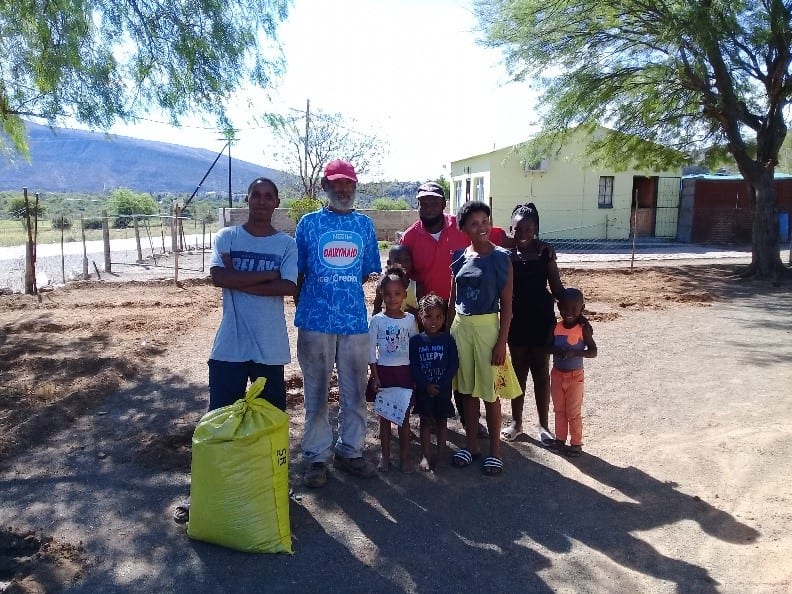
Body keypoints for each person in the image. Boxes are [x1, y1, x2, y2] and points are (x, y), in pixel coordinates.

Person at [174, 176, 297, 523]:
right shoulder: (226, 237)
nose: (261, 201)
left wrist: (239, 277)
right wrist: (265, 276)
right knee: (218, 421)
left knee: (270, 423)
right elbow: (218, 278)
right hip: (229, 344)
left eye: (268, 196)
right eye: (255, 195)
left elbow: (287, 285)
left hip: (270, 348)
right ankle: (202, 494)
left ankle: (274, 487)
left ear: (276, 203)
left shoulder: (287, 244)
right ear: (248, 200)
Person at [295, 159, 382, 489]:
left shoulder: (364, 225)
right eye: (337, 184)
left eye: (349, 184)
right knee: (315, 393)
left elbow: (367, 271)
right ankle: (317, 457)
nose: (343, 190)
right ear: (325, 186)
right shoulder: (308, 224)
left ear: (355, 186)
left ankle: (350, 450)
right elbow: (299, 272)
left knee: (355, 393)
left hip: (354, 320)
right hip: (315, 319)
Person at [399, 181, 488, 437]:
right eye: (423, 202)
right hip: (428, 317)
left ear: (443, 204)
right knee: (427, 366)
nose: (428, 206)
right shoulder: (410, 237)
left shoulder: (460, 229)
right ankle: (425, 418)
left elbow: (486, 243)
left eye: (434, 201)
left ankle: (468, 417)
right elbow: (403, 275)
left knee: (459, 365)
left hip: (461, 311)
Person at [448, 200, 521, 475]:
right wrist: (446, 337)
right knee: (466, 390)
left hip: (488, 329)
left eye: (485, 221)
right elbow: (453, 300)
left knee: (490, 393)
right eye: (475, 223)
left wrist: (501, 342)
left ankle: (495, 451)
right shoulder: (459, 258)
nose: (482, 227)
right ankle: (471, 446)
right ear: (463, 227)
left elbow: (507, 305)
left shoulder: (501, 258)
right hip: (460, 329)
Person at [501, 203, 565, 443]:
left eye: (528, 229)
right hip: (516, 321)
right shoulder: (506, 257)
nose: (523, 234)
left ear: (536, 229)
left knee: (540, 373)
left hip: (542, 321)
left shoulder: (545, 254)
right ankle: (516, 422)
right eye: (518, 229)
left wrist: (573, 308)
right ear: (511, 229)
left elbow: (557, 288)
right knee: (517, 374)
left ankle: (543, 426)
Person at [368, 267, 418, 472]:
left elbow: (415, 349)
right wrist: (375, 375)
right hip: (385, 374)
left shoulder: (410, 320)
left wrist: (416, 376)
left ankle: (405, 459)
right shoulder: (377, 321)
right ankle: (385, 457)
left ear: (404, 294)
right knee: (385, 418)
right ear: (381, 295)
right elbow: (371, 351)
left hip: (405, 374)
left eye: (397, 294)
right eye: (387, 294)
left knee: (404, 419)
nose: (392, 298)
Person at [410, 294, 459, 472]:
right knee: (425, 422)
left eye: (438, 316)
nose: (433, 321)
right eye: (428, 316)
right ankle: (425, 455)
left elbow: (454, 364)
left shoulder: (448, 339)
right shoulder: (416, 341)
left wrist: (442, 384)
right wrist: (426, 386)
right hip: (424, 390)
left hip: (443, 390)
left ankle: (441, 455)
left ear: (444, 317)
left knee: (441, 422)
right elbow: (414, 366)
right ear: (420, 317)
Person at [549, 288, 598, 457]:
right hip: (556, 374)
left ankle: (576, 443)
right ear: (559, 307)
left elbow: (593, 351)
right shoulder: (555, 327)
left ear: (582, 308)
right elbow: (546, 346)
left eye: (574, 309)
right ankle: (560, 439)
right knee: (559, 409)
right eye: (565, 308)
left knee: (573, 412)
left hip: (575, 376)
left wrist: (576, 353)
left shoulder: (583, 328)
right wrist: (556, 349)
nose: (569, 313)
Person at [371, 244, 420, 317]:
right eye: (397, 260)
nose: (402, 264)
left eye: (406, 260)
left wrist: (411, 313)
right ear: (389, 263)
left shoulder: (417, 288)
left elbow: (424, 315)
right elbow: (376, 311)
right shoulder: (382, 286)